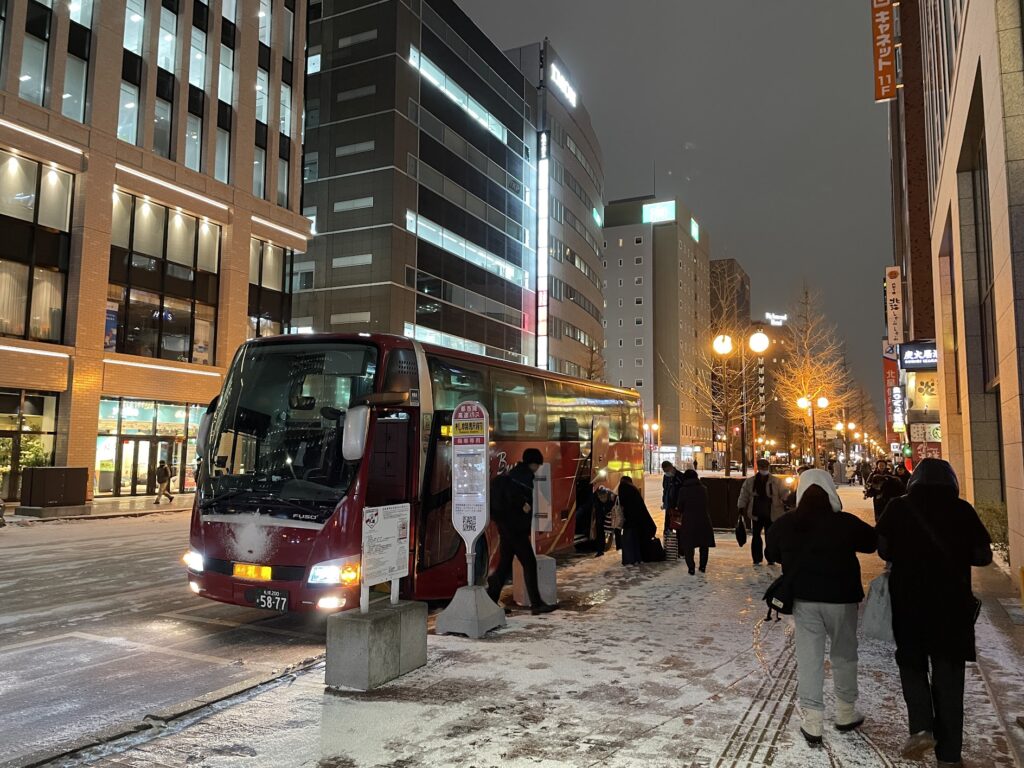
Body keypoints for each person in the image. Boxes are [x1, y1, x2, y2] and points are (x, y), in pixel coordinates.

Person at [876, 459, 992, 766]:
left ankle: (922, 727)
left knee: (911, 663)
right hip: (951, 608)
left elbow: (884, 550)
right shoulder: (962, 509)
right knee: (950, 677)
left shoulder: (899, 508)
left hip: (909, 604)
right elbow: (983, 555)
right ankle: (950, 757)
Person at [765, 470, 877, 745]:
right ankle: (845, 712)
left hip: (804, 600)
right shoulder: (845, 523)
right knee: (844, 654)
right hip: (842, 599)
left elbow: (771, 553)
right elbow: (872, 543)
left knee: (809, 657)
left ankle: (813, 720)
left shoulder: (786, 524)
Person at [486, 448, 557, 615]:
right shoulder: (523, 475)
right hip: (515, 528)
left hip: (506, 527)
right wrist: (522, 504)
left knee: (504, 565)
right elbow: (514, 496)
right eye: (538, 464)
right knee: (529, 563)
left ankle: (490, 600)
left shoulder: (514, 472)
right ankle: (537, 604)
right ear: (533, 463)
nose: (538, 467)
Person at [737, 459, 786, 565]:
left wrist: (788, 501)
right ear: (759, 468)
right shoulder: (751, 482)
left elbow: (784, 493)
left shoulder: (776, 481)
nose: (764, 469)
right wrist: (741, 507)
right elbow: (744, 494)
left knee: (769, 536)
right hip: (757, 513)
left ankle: (770, 557)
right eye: (762, 467)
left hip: (772, 513)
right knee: (756, 536)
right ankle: (758, 558)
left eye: (765, 467)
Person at [675, 469, 715, 575]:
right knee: (704, 545)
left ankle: (691, 568)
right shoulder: (704, 489)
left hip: (688, 521)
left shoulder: (683, 490)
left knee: (689, 545)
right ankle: (702, 566)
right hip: (704, 520)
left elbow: (680, 507)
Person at [618, 476, 657, 565]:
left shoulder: (623, 488)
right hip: (637, 519)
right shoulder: (632, 488)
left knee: (628, 540)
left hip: (629, 519)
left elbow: (623, 503)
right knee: (635, 540)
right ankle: (637, 558)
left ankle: (629, 559)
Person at [593, 486, 618, 554]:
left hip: (610, 511)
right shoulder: (595, 496)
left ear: (607, 494)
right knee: (599, 528)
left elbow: (617, 507)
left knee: (616, 528)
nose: (602, 499)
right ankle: (600, 550)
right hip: (601, 511)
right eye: (600, 497)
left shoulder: (612, 496)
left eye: (603, 497)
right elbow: (597, 508)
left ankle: (619, 547)